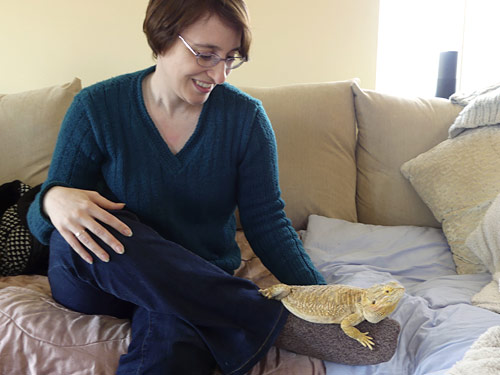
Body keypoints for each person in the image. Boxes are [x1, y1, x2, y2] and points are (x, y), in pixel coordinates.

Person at [27, 0, 400, 374]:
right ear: (161, 38)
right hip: (101, 279)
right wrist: (52, 199)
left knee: (177, 332)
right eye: (206, 55)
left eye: (230, 58)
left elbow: (267, 222)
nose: (219, 75)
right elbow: (44, 223)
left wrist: (321, 298)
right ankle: (267, 317)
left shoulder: (245, 119)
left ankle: (223, 306)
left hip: (195, 282)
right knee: (88, 228)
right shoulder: (96, 107)